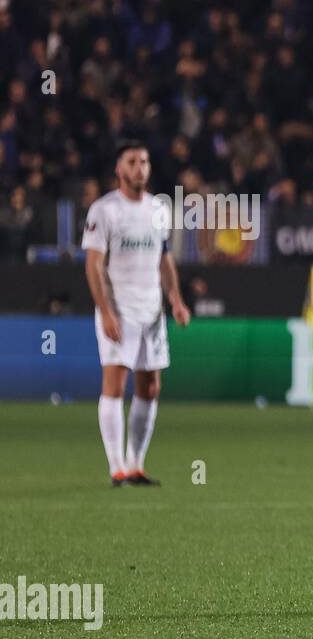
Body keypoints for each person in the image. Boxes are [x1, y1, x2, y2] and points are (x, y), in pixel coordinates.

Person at [82, 140, 191, 487]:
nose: (139, 167)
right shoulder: (104, 210)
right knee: (115, 382)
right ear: (119, 170)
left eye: (144, 161)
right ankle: (116, 468)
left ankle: (136, 464)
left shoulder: (158, 209)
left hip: (152, 310)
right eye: (132, 162)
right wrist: (106, 311)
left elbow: (164, 258)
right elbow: (94, 266)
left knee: (151, 385)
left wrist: (175, 298)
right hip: (120, 309)